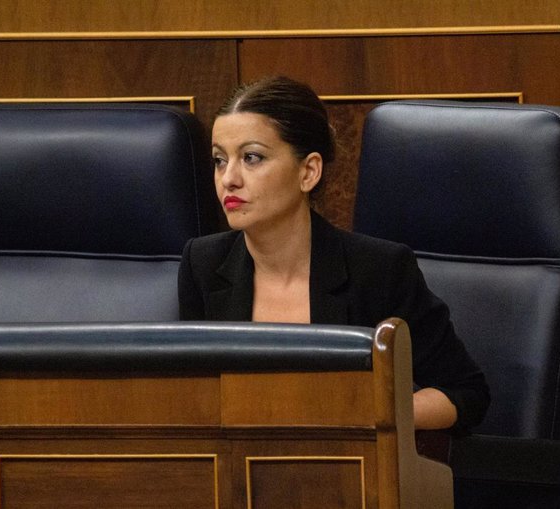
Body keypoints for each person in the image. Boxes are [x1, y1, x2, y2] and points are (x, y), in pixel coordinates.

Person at [178, 75, 489, 432]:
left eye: (251, 158)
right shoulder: (202, 264)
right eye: (219, 160)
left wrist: (368, 416)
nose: (228, 179)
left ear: (308, 171)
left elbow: (466, 393)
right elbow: (195, 399)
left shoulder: (378, 270)